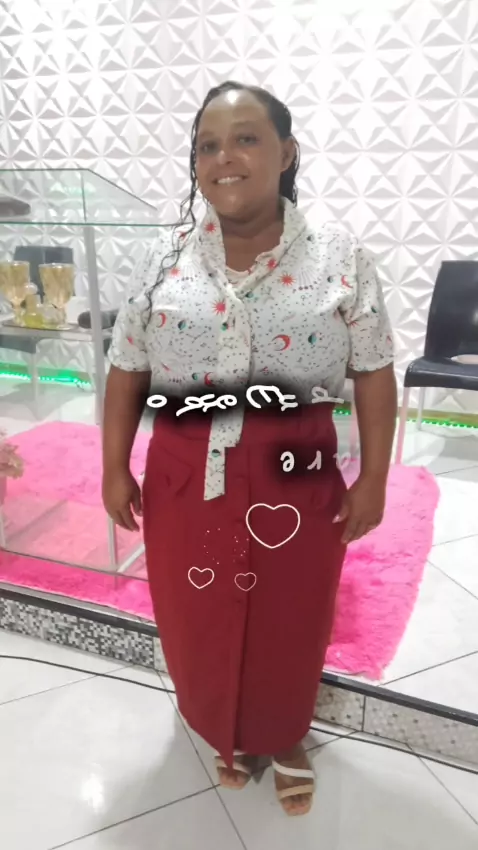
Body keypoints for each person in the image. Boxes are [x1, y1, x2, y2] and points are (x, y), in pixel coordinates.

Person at [102, 81, 397, 817]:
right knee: (195, 612)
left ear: (286, 153)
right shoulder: (163, 259)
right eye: (207, 145)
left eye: (245, 139)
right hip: (183, 476)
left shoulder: (341, 259)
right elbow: (127, 365)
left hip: (295, 478)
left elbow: (374, 371)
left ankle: (283, 735)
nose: (223, 158)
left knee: (289, 616)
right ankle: (221, 730)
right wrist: (112, 466)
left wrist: (375, 478)